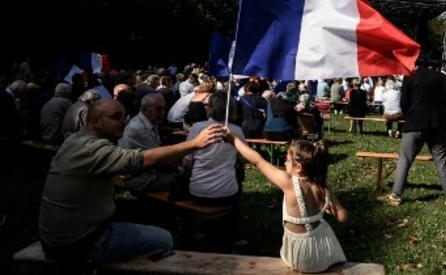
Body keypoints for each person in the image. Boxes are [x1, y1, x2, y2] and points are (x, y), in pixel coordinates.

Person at [38, 99, 224, 269]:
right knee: (164, 238)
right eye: (116, 117)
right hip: (79, 244)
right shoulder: (92, 149)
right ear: (94, 120)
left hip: (56, 238)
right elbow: (141, 160)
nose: (124, 121)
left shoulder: (75, 140)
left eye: (124, 116)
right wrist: (194, 144)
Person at [222, 130, 347, 273]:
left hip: (303, 257)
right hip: (325, 251)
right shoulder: (322, 185)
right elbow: (342, 217)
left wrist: (234, 140)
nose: (284, 162)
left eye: (287, 159)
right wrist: (331, 208)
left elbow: (257, 160)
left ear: (298, 167)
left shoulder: (289, 183)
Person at [381, 57, 446, 206]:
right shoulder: (441, 77)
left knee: (404, 159)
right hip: (436, 124)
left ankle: (396, 195)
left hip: (415, 123)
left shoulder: (410, 76)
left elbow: (404, 102)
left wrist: (410, 114)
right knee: (441, 160)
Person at [184, 91, 246, 244]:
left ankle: (194, 229)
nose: (205, 108)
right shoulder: (237, 131)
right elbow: (243, 159)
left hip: (198, 191)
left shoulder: (197, 128)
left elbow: (187, 162)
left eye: (207, 105)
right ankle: (234, 232)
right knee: (238, 173)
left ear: (213, 109)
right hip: (227, 194)